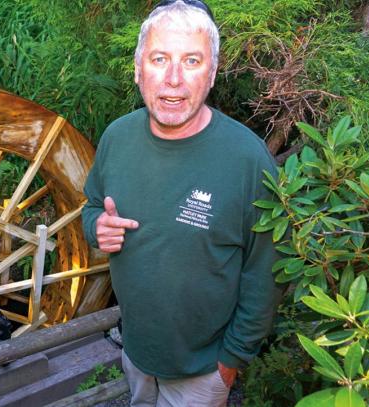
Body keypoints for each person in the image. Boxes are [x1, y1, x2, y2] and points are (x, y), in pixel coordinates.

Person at [81, 1, 282, 406]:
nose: (173, 79)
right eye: (160, 59)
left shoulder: (247, 159)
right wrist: (96, 228)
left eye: (191, 61)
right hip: (135, 350)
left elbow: (267, 271)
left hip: (204, 368)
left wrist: (232, 360)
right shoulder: (117, 139)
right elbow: (90, 208)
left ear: (211, 74)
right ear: (139, 69)